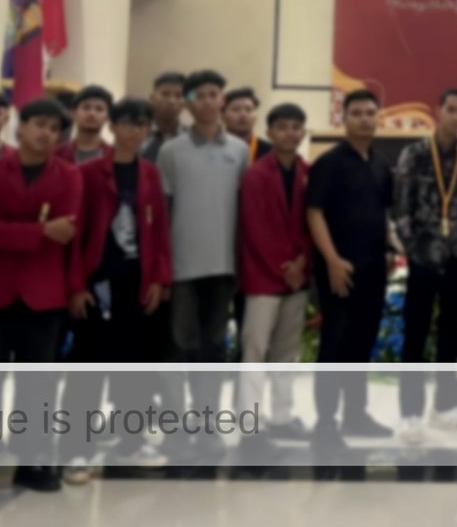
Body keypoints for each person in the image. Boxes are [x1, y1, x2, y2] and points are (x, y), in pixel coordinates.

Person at [0, 96, 82, 499]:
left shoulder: (69, 176)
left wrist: (16, 230)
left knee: (38, 384)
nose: (46, 133)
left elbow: (66, 231)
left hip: (43, 293)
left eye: (54, 128)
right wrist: (40, 230)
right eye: (39, 124)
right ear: (21, 127)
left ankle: (31, 459)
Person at [60, 97, 171, 481]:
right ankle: (76, 450)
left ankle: (130, 443)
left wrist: (159, 279)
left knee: (135, 369)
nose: (133, 131)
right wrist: (76, 285)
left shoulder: (150, 174)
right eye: (126, 123)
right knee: (88, 369)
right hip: (98, 286)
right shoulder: (88, 173)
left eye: (141, 124)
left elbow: (159, 231)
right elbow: (76, 234)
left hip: (136, 284)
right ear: (113, 127)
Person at [157, 69, 250, 460]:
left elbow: (245, 210)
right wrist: (162, 270)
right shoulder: (171, 151)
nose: (208, 101)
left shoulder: (240, 151)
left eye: (215, 94)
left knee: (213, 349)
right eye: (200, 95)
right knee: (177, 349)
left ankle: (208, 426)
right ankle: (176, 429)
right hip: (182, 270)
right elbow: (162, 213)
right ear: (188, 102)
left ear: (222, 100)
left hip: (223, 268)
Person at [393, 88, 457, 444]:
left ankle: (445, 407)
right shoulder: (415, 154)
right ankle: (410, 412)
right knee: (415, 336)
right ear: (439, 111)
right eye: (452, 109)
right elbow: (401, 207)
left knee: (450, 336)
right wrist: (414, 249)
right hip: (424, 258)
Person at [306, 89, 395, 453]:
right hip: (339, 270)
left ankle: (355, 415)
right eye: (356, 113)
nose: (363, 119)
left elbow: (382, 213)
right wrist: (331, 259)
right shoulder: (329, 163)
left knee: (362, 344)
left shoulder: (381, 164)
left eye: (369, 113)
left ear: (378, 118)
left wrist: (390, 249)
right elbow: (314, 213)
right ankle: (325, 423)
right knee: (335, 345)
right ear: (344, 119)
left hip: (373, 268)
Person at [237, 103, 312, 460]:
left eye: (296, 127)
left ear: (303, 132)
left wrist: (302, 261)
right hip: (263, 275)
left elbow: (312, 223)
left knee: (286, 352)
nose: (290, 133)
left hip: (297, 276)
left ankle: (282, 416)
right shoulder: (255, 174)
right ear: (269, 132)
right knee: (255, 353)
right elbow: (256, 229)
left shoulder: (308, 172)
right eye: (283, 127)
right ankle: (249, 426)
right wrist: (286, 266)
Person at [57, 84, 113, 164]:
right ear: (73, 113)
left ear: (107, 117)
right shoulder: (57, 155)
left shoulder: (115, 157)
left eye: (99, 109)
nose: (92, 113)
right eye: (86, 107)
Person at [141, 71, 188, 163]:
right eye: (165, 94)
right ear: (152, 98)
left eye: (178, 96)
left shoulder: (192, 138)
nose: (172, 101)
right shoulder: (137, 134)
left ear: (185, 102)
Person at [224, 88, 270, 162]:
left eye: (248, 109)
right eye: (236, 109)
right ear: (222, 115)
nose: (243, 114)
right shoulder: (213, 148)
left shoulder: (270, 152)